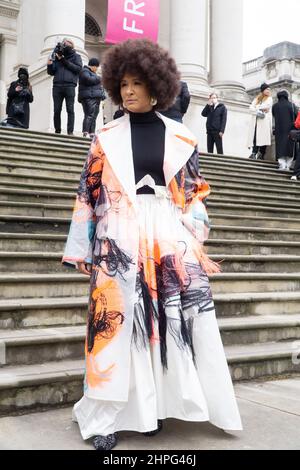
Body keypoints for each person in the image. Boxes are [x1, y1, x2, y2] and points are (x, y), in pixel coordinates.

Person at [62, 38, 242, 451]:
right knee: (115, 330)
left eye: (137, 83)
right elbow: (87, 194)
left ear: (156, 86)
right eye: (123, 83)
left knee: (166, 326)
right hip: (117, 241)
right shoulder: (104, 136)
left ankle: (153, 407)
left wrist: (193, 239)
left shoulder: (182, 137)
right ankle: (104, 415)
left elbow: (195, 193)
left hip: (167, 239)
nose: (128, 91)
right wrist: (82, 249)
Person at [47, 38, 82, 135]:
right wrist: (49, 65)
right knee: (56, 110)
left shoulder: (76, 56)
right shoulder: (57, 55)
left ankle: (70, 132)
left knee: (70, 109)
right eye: (64, 43)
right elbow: (51, 72)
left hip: (70, 86)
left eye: (67, 43)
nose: (65, 44)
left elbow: (78, 69)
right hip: (57, 86)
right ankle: (57, 131)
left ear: (72, 45)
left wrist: (63, 60)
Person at [78, 58, 106, 138]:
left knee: (94, 116)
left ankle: (92, 133)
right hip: (88, 97)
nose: (97, 68)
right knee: (89, 115)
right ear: (93, 66)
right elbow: (89, 80)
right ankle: (85, 132)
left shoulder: (93, 73)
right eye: (96, 66)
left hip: (96, 97)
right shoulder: (84, 71)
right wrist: (100, 78)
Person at [272, 90, 298, 171]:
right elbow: (296, 116)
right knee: (290, 147)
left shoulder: (275, 106)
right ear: (287, 96)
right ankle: (288, 165)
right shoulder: (292, 105)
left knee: (280, 147)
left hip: (279, 130)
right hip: (290, 130)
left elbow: (273, 115)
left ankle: (282, 165)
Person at [248, 83, 273, 160]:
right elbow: (250, 108)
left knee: (264, 138)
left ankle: (261, 154)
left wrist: (256, 108)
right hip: (256, 122)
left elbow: (267, 106)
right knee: (255, 137)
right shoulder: (257, 99)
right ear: (263, 90)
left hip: (264, 122)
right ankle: (253, 153)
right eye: (266, 89)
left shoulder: (269, 98)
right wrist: (258, 109)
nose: (268, 91)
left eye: (269, 89)